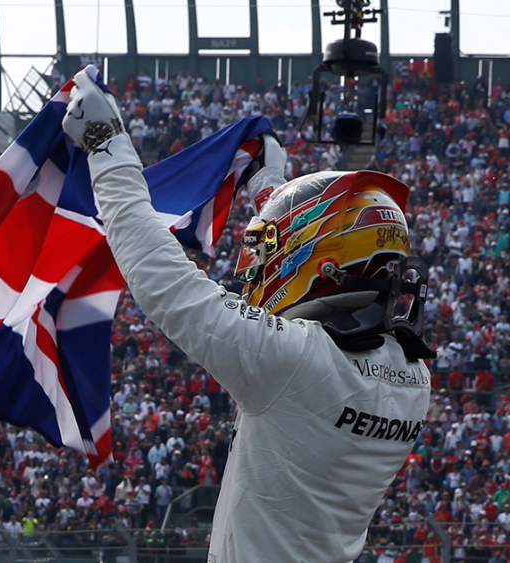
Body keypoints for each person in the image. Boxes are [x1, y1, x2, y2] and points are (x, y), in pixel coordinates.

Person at [62, 66, 433, 562]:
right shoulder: (413, 377)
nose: (257, 266)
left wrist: (106, 145)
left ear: (321, 263)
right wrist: (271, 192)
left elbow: (163, 282)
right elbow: (331, 270)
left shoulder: (295, 361)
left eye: (267, 252)